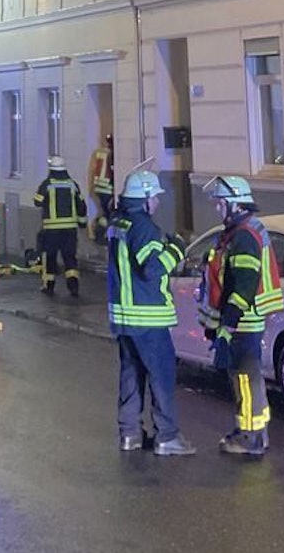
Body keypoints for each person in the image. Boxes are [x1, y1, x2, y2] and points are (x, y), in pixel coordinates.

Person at [107, 167, 195, 456]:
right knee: (162, 376)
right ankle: (167, 436)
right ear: (144, 199)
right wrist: (177, 249)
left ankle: (130, 434)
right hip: (148, 317)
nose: (157, 202)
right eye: (154, 197)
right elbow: (153, 269)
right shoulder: (144, 227)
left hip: (124, 318)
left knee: (131, 376)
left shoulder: (118, 223)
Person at [197, 175, 283, 457]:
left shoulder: (244, 237)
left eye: (220, 203)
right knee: (247, 379)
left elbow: (243, 287)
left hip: (243, 322)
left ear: (235, 204)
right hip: (243, 321)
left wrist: (227, 326)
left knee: (245, 380)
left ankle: (250, 438)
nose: (217, 208)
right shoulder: (240, 232)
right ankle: (254, 433)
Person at [33, 156, 88, 296]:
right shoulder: (72, 184)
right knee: (70, 257)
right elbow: (81, 206)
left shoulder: (47, 184)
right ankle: (73, 286)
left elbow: (37, 202)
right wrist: (82, 222)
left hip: (51, 229)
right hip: (70, 229)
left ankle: (49, 286)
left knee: (50, 257)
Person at [88, 135, 114, 243]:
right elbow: (112, 170)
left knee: (104, 212)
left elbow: (94, 169)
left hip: (99, 188)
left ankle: (99, 234)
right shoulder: (112, 153)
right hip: (108, 189)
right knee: (109, 214)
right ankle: (103, 236)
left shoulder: (99, 152)